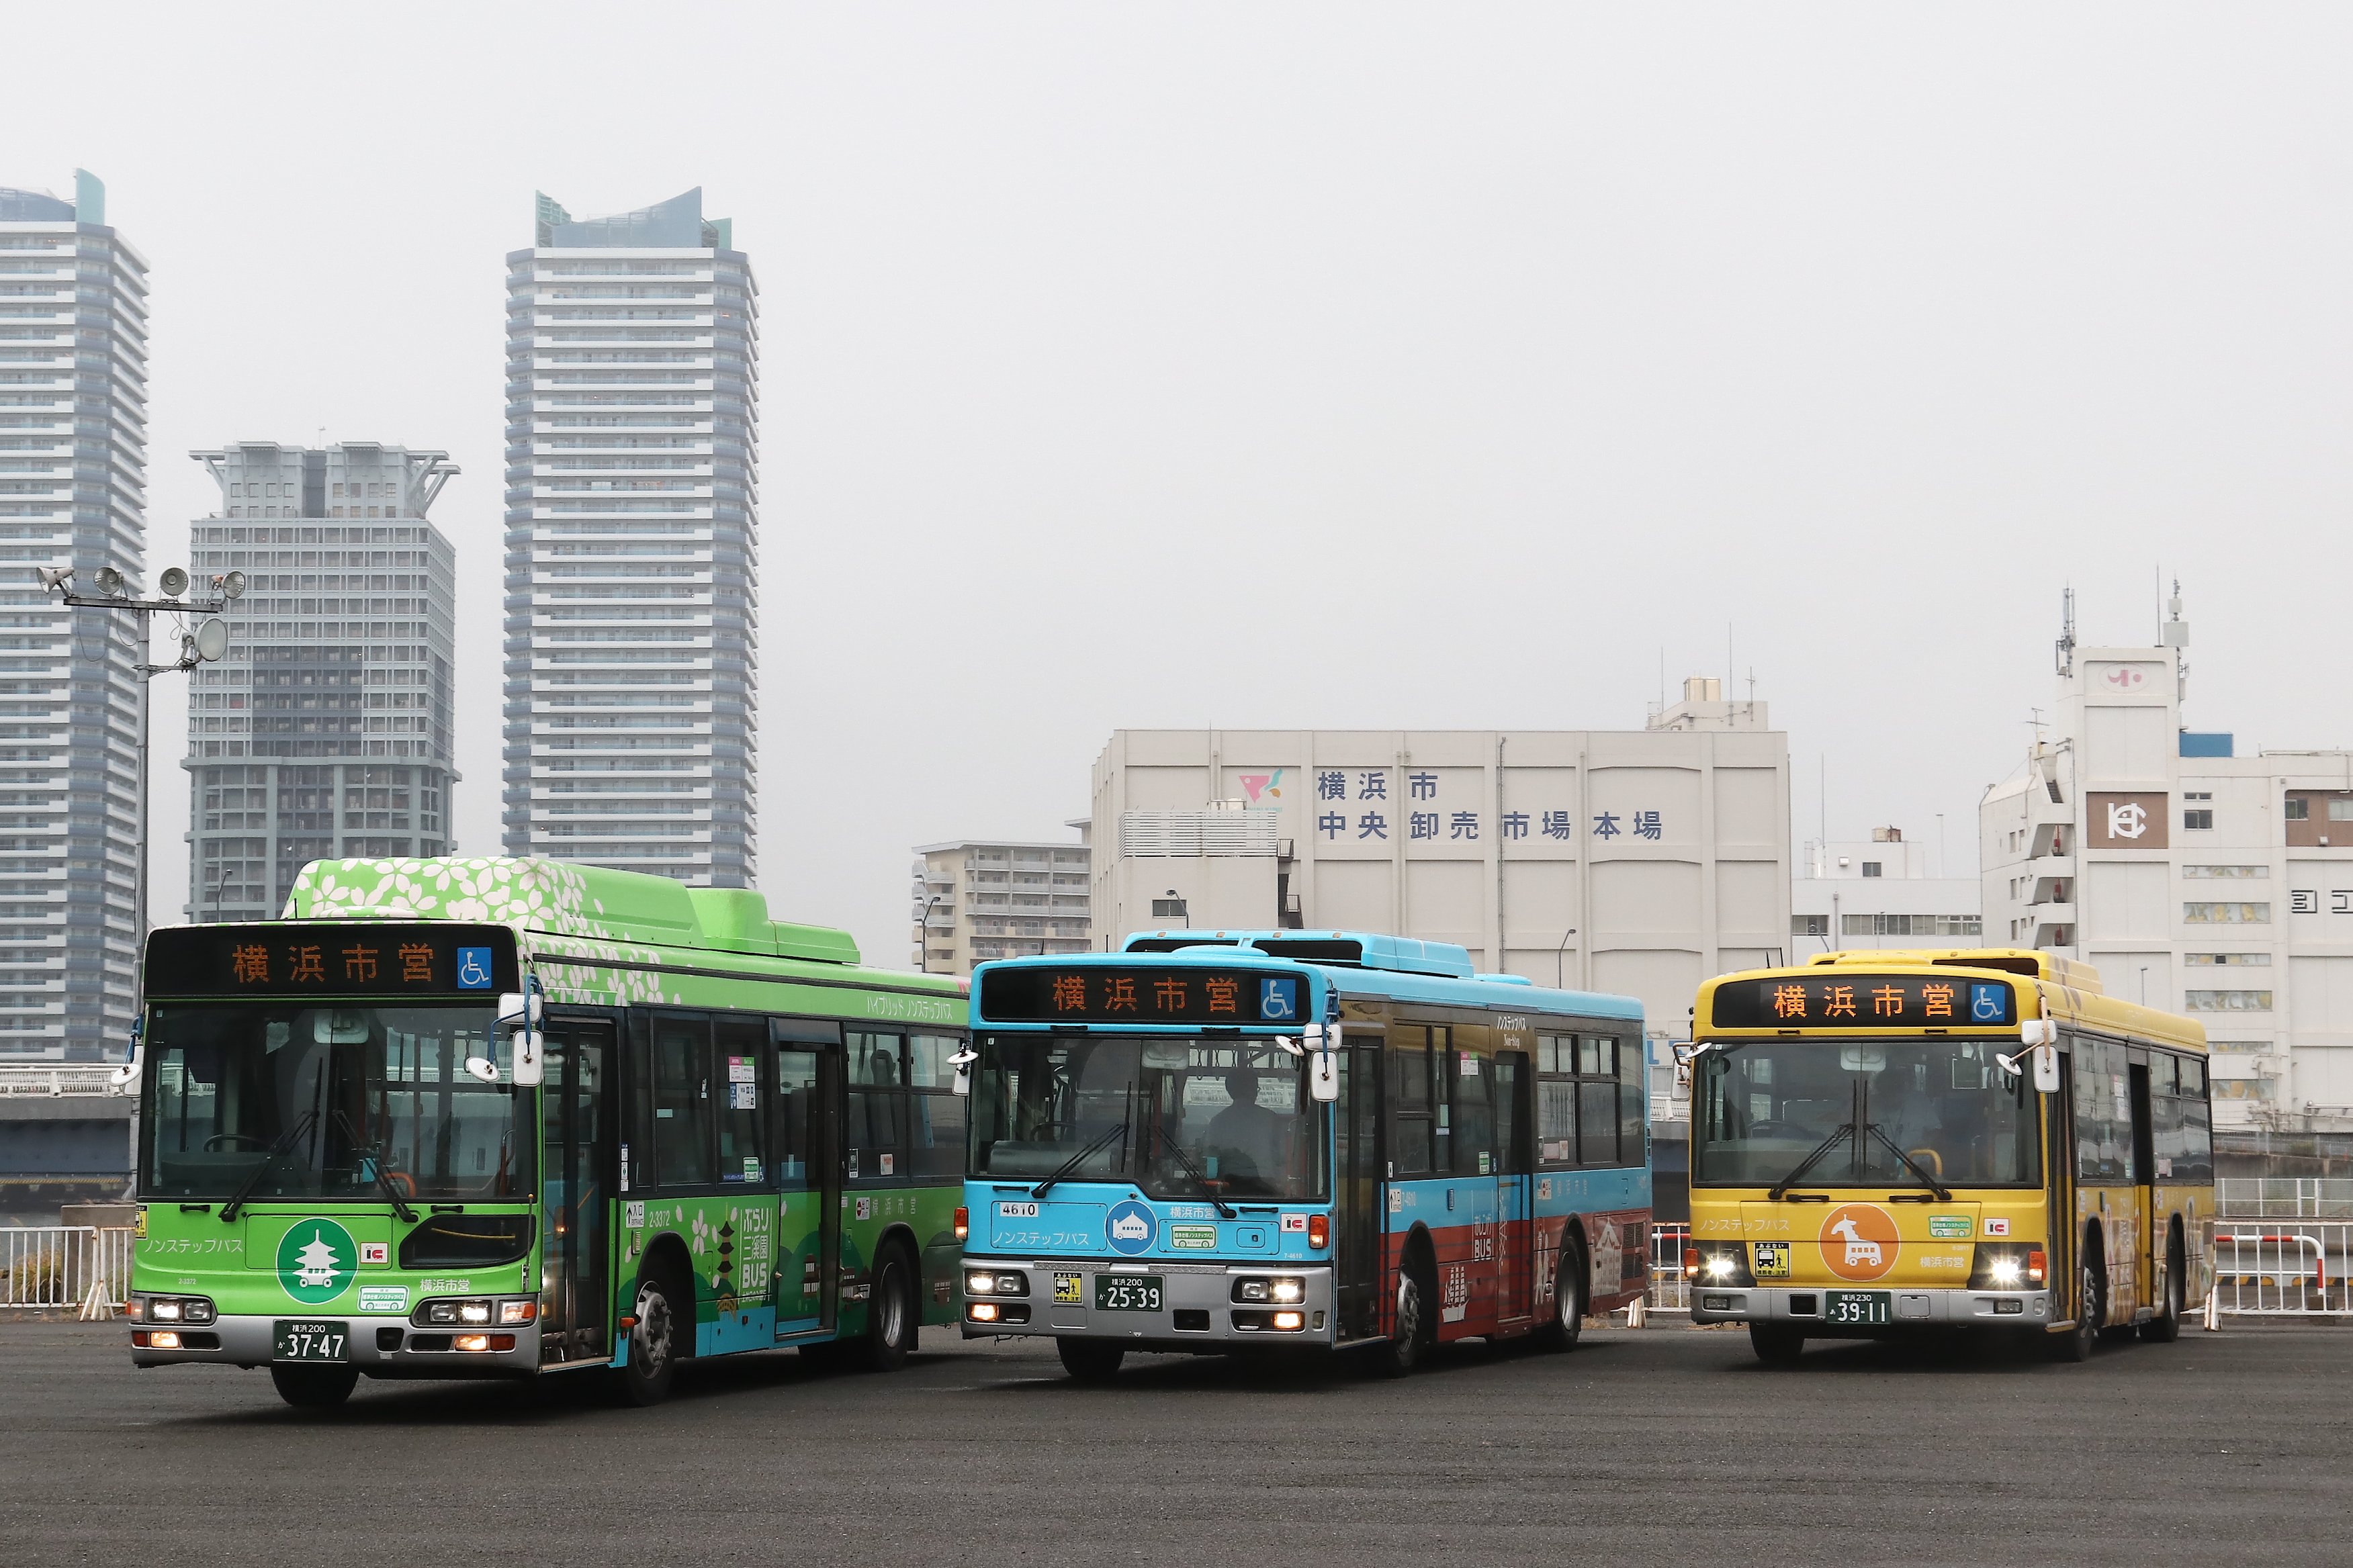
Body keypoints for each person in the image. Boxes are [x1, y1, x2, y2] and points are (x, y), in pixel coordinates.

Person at [1201, 1067, 1282, 1181]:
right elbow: (1281, 1158)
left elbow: (1210, 1159)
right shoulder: (1271, 1118)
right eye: (1256, 1089)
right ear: (1254, 1089)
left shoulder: (1217, 1122)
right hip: (1267, 1188)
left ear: (1229, 1090)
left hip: (1227, 1188)